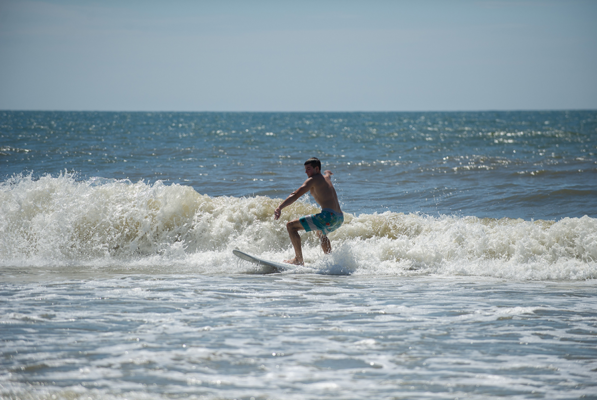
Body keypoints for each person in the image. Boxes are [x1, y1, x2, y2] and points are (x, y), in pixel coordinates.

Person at [274, 157, 344, 265]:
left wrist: (279, 207)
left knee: (291, 226)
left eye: (308, 169)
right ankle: (331, 262)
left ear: (316, 169)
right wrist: (328, 173)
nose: (306, 172)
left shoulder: (313, 179)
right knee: (320, 233)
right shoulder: (325, 178)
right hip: (339, 218)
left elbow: (295, 194)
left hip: (328, 217)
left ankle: (298, 259)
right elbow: (328, 175)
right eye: (305, 169)